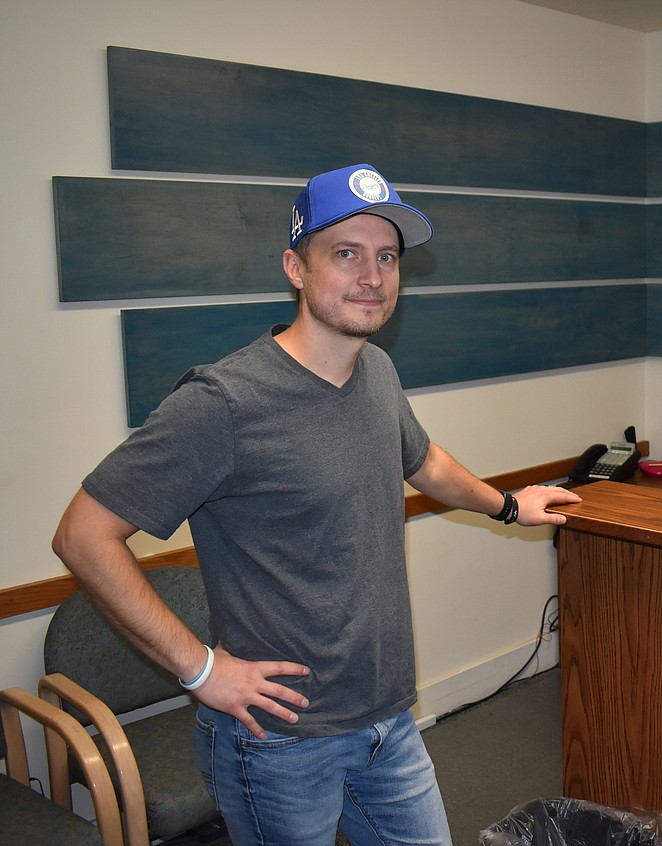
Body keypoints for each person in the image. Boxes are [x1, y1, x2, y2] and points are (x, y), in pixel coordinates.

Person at [51, 163, 582, 846]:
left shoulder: (377, 371)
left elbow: (424, 461)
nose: (372, 275)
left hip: (387, 719)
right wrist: (203, 670)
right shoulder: (224, 403)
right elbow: (83, 536)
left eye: (386, 256)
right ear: (296, 268)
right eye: (345, 254)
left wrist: (508, 505)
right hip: (279, 742)